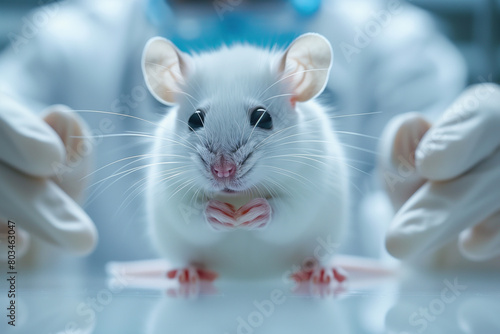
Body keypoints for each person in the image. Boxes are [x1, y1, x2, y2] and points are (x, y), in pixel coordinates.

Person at [2, 0, 491, 269]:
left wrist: (448, 188)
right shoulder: (64, 38)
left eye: (262, 120)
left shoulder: (391, 35)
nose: (224, 168)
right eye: (193, 120)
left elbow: (437, 154)